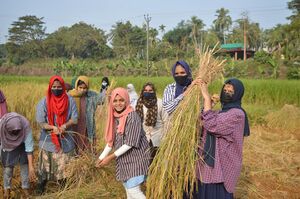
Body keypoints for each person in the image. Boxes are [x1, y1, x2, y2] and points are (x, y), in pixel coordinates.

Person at [185, 78, 250, 199]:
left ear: (238, 94)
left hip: (222, 165)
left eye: (230, 91)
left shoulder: (237, 114)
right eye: (224, 90)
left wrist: (206, 98)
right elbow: (201, 121)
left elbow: (212, 125)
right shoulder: (220, 112)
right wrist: (210, 103)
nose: (226, 92)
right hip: (208, 162)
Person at [95, 87, 150, 199]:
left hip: (137, 159)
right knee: (129, 193)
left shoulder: (132, 117)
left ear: (126, 100)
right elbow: (111, 141)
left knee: (133, 190)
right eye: (115, 101)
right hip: (124, 160)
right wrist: (101, 158)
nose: (118, 103)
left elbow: (130, 143)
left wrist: (109, 158)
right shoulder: (115, 117)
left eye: (121, 100)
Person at [35, 75, 78, 194]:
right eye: (54, 86)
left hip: (66, 139)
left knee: (64, 170)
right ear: (50, 87)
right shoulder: (44, 101)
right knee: (44, 168)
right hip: (48, 140)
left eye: (59, 86)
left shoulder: (70, 100)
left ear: (63, 87)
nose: (56, 88)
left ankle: (64, 190)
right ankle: (40, 189)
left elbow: (74, 119)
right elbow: (40, 121)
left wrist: (64, 126)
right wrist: (52, 127)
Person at [0, 112, 36, 198]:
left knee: (25, 166)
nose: (15, 133)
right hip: (7, 145)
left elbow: (29, 147)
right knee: (8, 168)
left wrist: (31, 167)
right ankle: (6, 189)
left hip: (22, 145)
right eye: (13, 132)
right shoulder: (1, 126)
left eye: (17, 131)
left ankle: (25, 188)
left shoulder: (25, 126)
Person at [68, 76, 104, 154]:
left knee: (87, 139)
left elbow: (102, 100)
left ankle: (86, 157)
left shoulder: (92, 95)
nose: (82, 90)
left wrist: (104, 89)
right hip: (75, 123)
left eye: (85, 88)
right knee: (75, 138)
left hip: (88, 123)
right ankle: (76, 156)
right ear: (76, 86)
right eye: (80, 87)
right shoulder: (71, 95)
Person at [135, 82, 168, 160]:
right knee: (145, 162)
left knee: (157, 161)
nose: (148, 92)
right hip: (143, 139)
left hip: (158, 139)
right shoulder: (138, 104)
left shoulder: (160, 103)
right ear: (142, 92)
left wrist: (165, 139)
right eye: (145, 90)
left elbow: (166, 121)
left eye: (150, 91)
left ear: (154, 91)